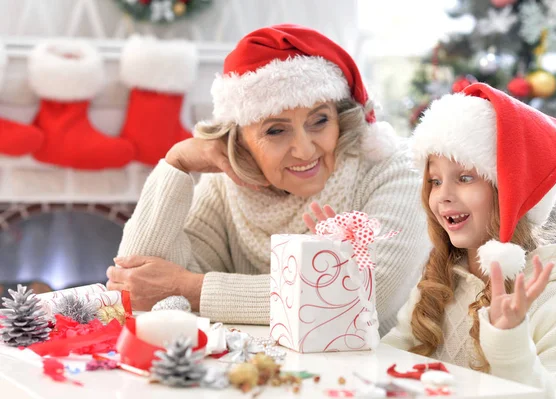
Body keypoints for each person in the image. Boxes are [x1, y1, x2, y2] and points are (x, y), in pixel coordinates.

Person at [105, 24, 430, 334]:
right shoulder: (227, 183)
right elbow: (141, 286)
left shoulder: (391, 169)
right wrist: (175, 164)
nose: (304, 150)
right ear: (239, 138)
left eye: (319, 120)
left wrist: (191, 289)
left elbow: (365, 297)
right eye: (276, 130)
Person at [381, 83, 556, 398]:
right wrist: (340, 293)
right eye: (434, 181)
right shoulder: (439, 280)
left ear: (513, 193)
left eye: (465, 178)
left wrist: (510, 342)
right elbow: (385, 367)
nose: (442, 196)